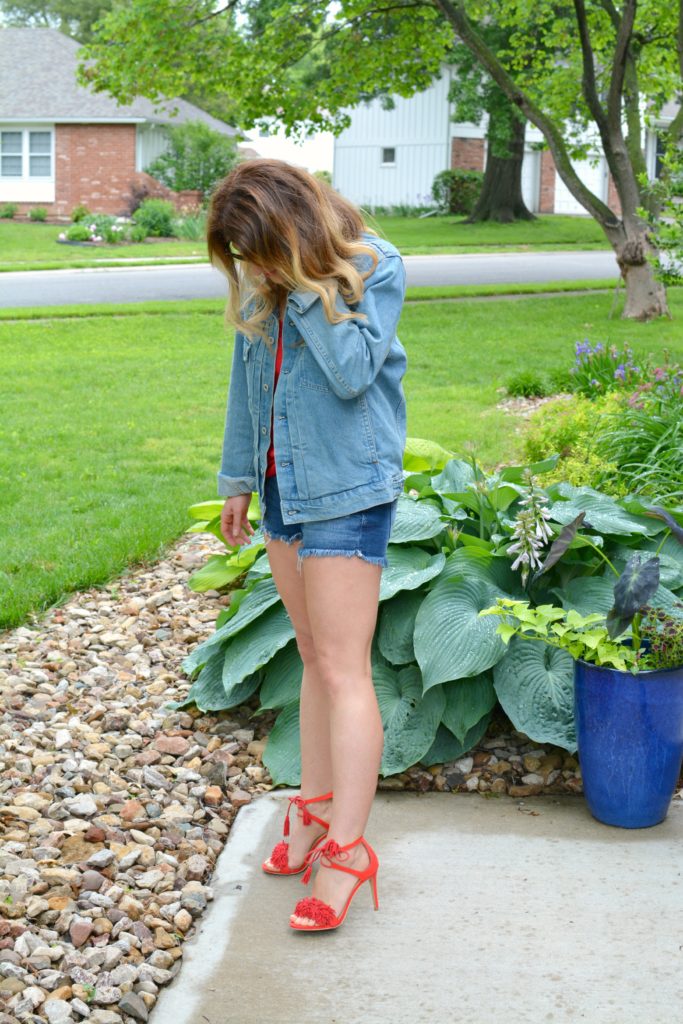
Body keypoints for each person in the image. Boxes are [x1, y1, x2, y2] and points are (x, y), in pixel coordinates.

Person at [207, 159, 407, 932]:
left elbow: (354, 373)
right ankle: (316, 804)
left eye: (259, 252)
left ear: (290, 231)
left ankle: (349, 849)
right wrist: (236, 479)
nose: (251, 269)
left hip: (349, 491)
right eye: (242, 258)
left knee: (344, 667)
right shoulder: (267, 281)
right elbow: (243, 383)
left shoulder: (372, 267)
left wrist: (307, 287)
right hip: (286, 482)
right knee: (311, 654)